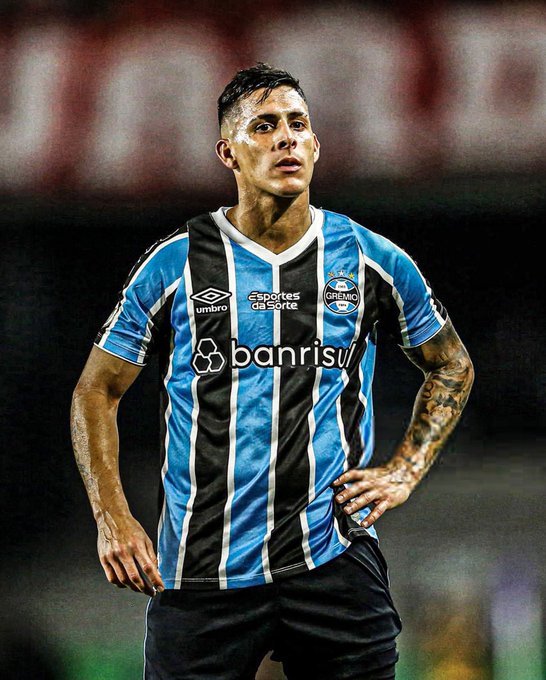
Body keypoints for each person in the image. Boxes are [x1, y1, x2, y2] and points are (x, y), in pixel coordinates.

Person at [71, 63, 474, 680]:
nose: (287, 137)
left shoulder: (370, 259)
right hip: (201, 569)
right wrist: (112, 517)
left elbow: (451, 363)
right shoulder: (177, 263)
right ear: (227, 153)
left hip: (332, 556)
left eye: (298, 124)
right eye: (264, 126)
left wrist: (405, 470)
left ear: (316, 146)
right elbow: (96, 390)